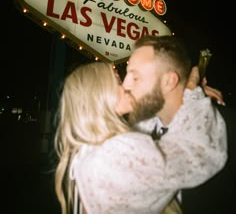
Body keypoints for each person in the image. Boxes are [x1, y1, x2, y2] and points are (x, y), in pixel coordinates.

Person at [54, 58, 227, 214]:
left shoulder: (95, 147)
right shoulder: (112, 154)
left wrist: (177, 94)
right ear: (99, 94)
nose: (127, 86)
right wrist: (191, 89)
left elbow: (146, 124)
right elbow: (195, 151)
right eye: (118, 81)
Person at [122, 34, 235, 214]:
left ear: (169, 81)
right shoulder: (138, 135)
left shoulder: (226, 127)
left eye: (135, 78)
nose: (125, 85)